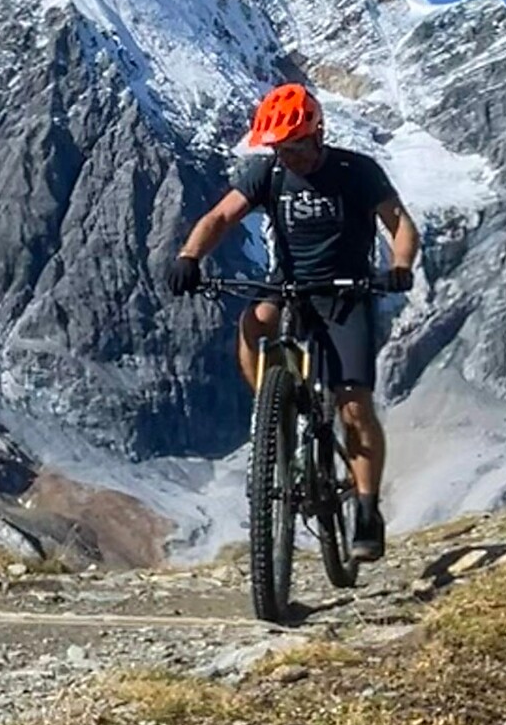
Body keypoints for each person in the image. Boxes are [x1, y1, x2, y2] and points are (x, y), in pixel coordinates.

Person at [167, 83, 420, 562]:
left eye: (298, 146)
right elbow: (221, 216)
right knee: (252, 324)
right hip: (288, 286)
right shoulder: (268, 173)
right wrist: (189, 255)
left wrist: (400, 266)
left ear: (318, 134)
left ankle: (367, 509)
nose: (291, 156)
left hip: (346, 292)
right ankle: (273, 413)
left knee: (353, 405)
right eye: (282, 149)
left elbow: (400, 224)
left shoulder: (355, 172)